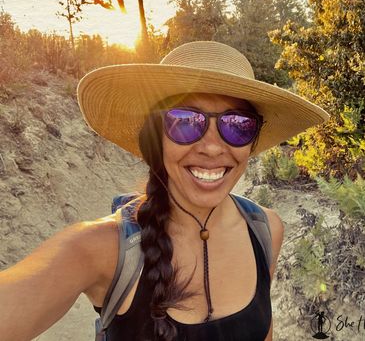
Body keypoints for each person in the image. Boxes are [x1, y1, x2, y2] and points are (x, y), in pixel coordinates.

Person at [0, 41, 329, 341]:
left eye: (237, 125)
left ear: (253, 140)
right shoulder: (102, 249)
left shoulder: (265, 230)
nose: (213, 148)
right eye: (185, 121)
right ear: (156, 137)